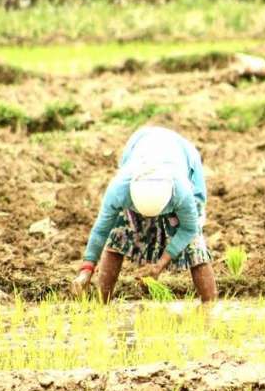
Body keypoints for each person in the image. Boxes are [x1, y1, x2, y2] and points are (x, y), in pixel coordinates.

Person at [70, 126, 217, 303]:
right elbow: (101, 230)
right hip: (139, 145)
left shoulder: (182, 191)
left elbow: (189, 229)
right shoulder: (120, 189)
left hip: (183, 157)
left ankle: (210, 308)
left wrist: (160, 265)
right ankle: (102, 304)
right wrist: (86, 270)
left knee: (195, 245)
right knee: (119, 233)